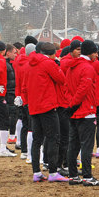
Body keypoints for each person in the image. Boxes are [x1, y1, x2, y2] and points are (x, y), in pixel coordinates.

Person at [26, 42, 69, 182]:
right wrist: (57, 64)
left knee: (37, 140)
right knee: (54, 139)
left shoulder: (30, 63)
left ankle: (36, 172)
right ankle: (53, 172)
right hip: (47, 106)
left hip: (33, 105)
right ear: (53, 54)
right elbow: (62, 79)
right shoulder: (48, 63)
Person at [65, 40, 99, 186]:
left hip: (74, 112)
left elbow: (66, 87)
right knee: (86, 146)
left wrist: (70, 105)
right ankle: (87, 176)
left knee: (73, 145)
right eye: (95, 52)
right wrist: (74, 104)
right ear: (91, 52)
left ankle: (73, 176)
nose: (97, 55)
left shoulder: (71, 67)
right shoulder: (88, 68)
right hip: (85, 111)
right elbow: (84, 89)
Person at [15, 43, 36, 162]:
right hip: (29, 97)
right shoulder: (29, 65)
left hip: (20, 97)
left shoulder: (19, 63)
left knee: (24, 123)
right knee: (31, 127)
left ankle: (24, 151)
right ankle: (29, 153)